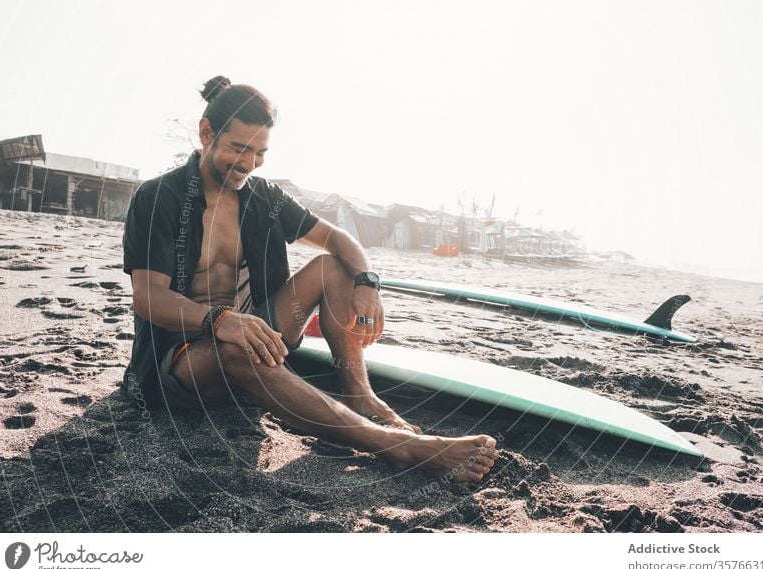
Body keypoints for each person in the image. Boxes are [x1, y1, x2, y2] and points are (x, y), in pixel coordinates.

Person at [120, 75, 497, 482]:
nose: (248, 163)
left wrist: (368, 281)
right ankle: (399, 447)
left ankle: (359, 392)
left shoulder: (264, 198)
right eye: (238, 149)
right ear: (206, 132)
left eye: (260, 153)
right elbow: (148, 298)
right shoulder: (160, 196)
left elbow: (337, 239)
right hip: (182, 361)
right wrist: (221, 321)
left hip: (256, 335)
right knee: (237, 349)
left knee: (334, 266)